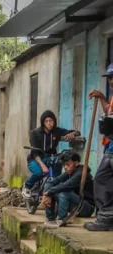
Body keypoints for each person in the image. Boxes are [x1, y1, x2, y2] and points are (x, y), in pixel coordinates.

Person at [24, 110, 79, 198]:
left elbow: (76, 132)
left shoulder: (56, 131)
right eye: (46, 121)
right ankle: (27, 185)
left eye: (51, 121)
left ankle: (52, 190)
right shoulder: (36, 133)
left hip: (51, 157)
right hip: (36, 158)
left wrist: (72, 134)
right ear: (43, 122)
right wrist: (42, 165)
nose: (49, 123)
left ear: (54, 121)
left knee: (57, 170)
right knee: (39, 172)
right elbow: (34, 152)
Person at [85, 63, 113, 231]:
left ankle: (105, 218)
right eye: (109, 78)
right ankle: (106, 217)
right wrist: (102, 97)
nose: (111, 81)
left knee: (103, 179)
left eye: (112, 77)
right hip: (110, 147)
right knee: (102, 179)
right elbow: (109, 113)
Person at [41, 152, 95, 227]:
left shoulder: (81, 173)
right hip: (76, 204)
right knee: (53, 191)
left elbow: (66, 185)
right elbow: (50, 183)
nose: (65, 167)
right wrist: (46, 194)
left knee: (63, 192)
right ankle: (50, 219)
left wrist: (48, 192)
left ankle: (62, 220)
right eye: (64, 165)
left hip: (86, 207)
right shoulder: (69, 172)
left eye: (68, 164)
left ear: (76, 163)